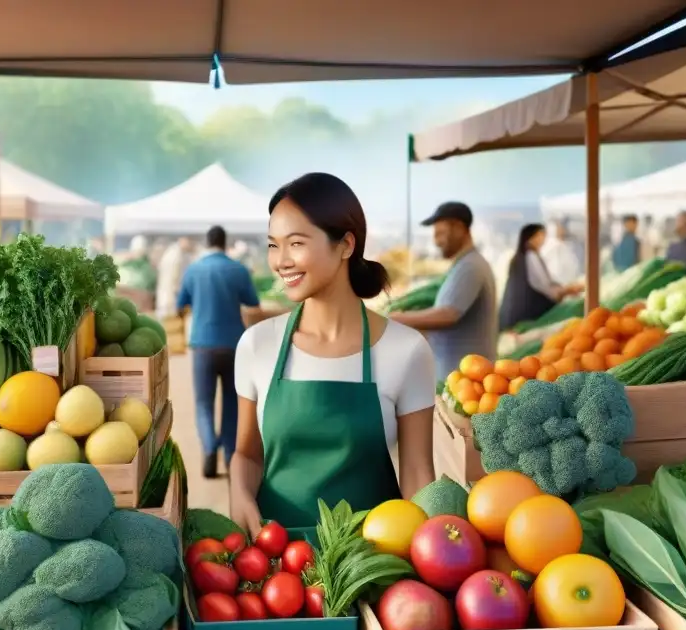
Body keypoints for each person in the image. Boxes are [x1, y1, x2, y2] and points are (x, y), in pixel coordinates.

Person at [231, 173, 436, 535]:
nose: (280, 261)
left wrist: (426, 550)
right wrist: (240, 495)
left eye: (296, 243)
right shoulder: (257, 345)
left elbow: (417, 472)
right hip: (274, 558)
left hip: (371, 558)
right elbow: (247, 454)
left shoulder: (406, 350)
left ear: (345, 245)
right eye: (273, 245)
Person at [176, 225, 261, 479]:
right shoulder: (238, 269)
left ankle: (209, 447)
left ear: (207, 242)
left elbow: (180, 304)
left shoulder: (194, 270)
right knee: (232, 401)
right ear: (225, 243)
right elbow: (253, 302)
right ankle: (229, 454)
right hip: (234, 345)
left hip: (203, 344)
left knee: (204, 403)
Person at [390, 202, 497, 385]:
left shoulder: (470, 266)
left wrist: (398, 319)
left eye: (440, 233)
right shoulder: (465, 264)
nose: (436, 241)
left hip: (466, 384)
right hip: (459, 381)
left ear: (459, 228)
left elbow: (448, 314)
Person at [499, 223, 583, 330]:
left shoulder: (523, 257)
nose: (543, 239)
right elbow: (544, 286)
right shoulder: (531, 256)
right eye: (540, 235)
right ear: (530, 238)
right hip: (528, 317)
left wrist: (564, 290)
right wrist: (566, 291)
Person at [541, 220, 584, 285]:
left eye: (562, 228)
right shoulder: (548, 246)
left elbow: (574, 267)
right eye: (558, 228)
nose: (560, 230)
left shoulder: (572, 246)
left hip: (568, 282)